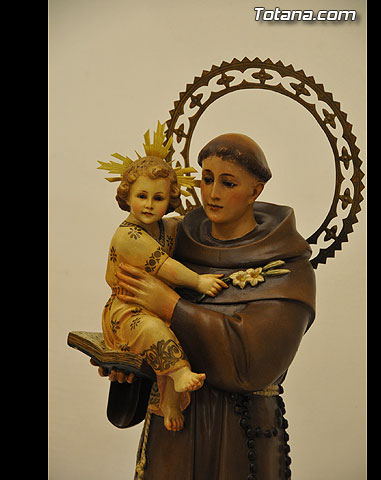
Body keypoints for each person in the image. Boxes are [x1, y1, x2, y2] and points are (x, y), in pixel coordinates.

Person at [96, 133, 316, 479]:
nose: (212, 193)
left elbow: (253, 363)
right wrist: (130, 363)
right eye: (207, 179)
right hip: (174, 426)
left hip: (242, 433)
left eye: (228, 183)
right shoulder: (176, 243)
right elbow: (136, 316)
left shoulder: (287, 269)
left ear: (255, 191)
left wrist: (172, 305)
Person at [98, 131, 228, 432]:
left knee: (178, 332)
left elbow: (187, 225)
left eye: (158, 198)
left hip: (154, 305)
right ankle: (180, 374)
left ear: (169, 200)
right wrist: (198, 282)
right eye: (141, 196)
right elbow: (167, 268)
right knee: (154, 331)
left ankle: (169, 402)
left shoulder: (166, 227)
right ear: (127, 196)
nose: (149, 205)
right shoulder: (128, 236)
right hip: (126, 310)